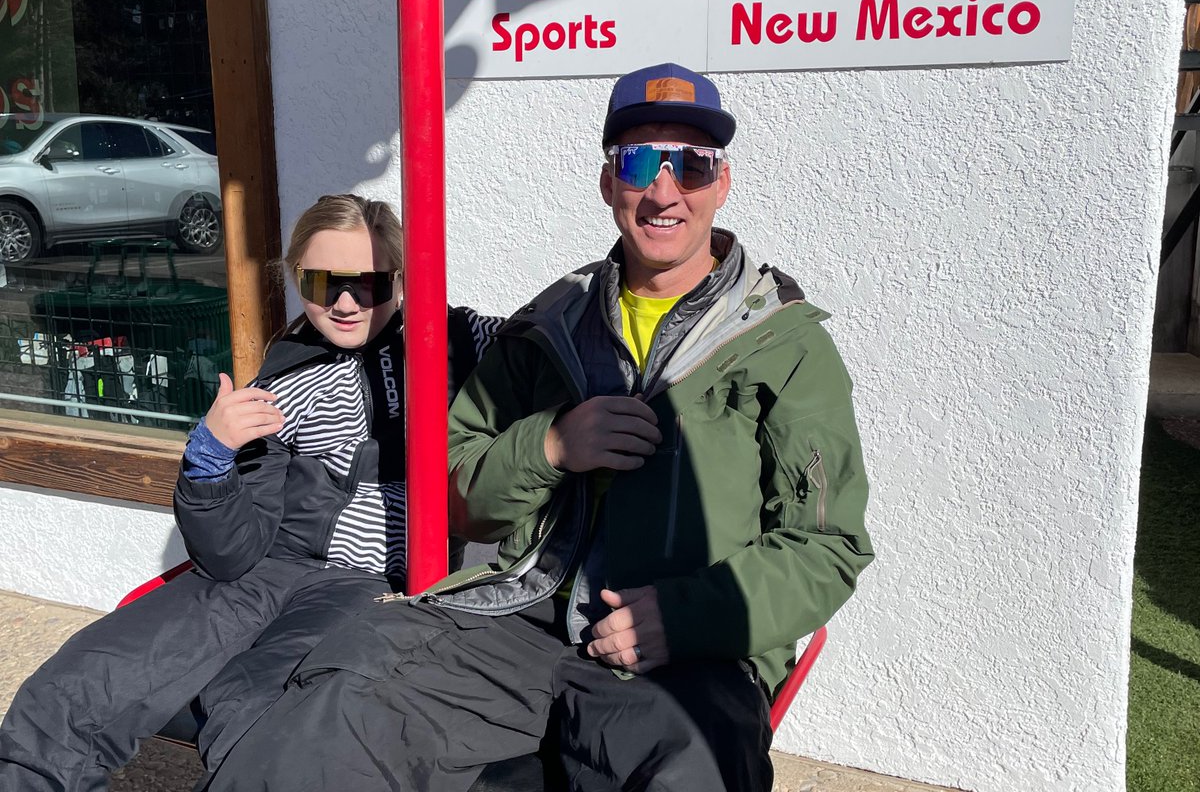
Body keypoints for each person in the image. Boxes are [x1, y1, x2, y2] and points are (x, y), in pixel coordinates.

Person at [203, 64, 875, 792]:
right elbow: (458, 490)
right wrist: (551, 446)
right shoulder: (555, 322)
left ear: (722, 182)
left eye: (691, 164)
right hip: (521, 613)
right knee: (330, 706)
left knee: (690, 774)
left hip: (685, 652)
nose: (664, 189)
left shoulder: (782, 342)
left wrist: (685, 616)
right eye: (639, 162)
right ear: (608, 183)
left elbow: (829, 545)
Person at [0, 193, 502, 792]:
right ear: (296, 279)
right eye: (321, 283)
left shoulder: (454, 340)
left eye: (366, 284)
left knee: (265, 715)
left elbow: (557, 343)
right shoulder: (286, 375)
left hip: (366, 584)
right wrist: (211, 457)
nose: (344, 303)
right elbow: (232, 553)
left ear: (398, 279)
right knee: (80, 685)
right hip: (263, 573)